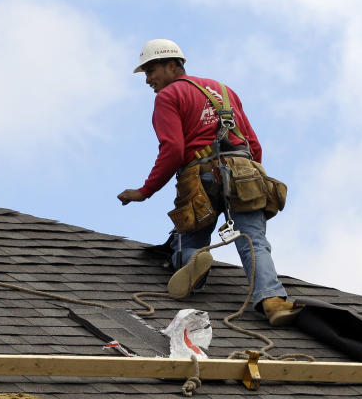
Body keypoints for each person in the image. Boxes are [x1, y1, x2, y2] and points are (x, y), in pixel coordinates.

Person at [117, 39, 297, 326]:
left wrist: (145, 191)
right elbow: (253, 144)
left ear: (173, 65)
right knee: (253, 239)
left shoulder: (168, 97)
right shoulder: (225, 91)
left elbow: (173, 149)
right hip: (244, 170)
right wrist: (254, 178)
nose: (148, 79)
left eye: (151, 70)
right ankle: (272, 300)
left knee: (191, 239)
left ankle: (194, 264)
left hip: (199, 176)